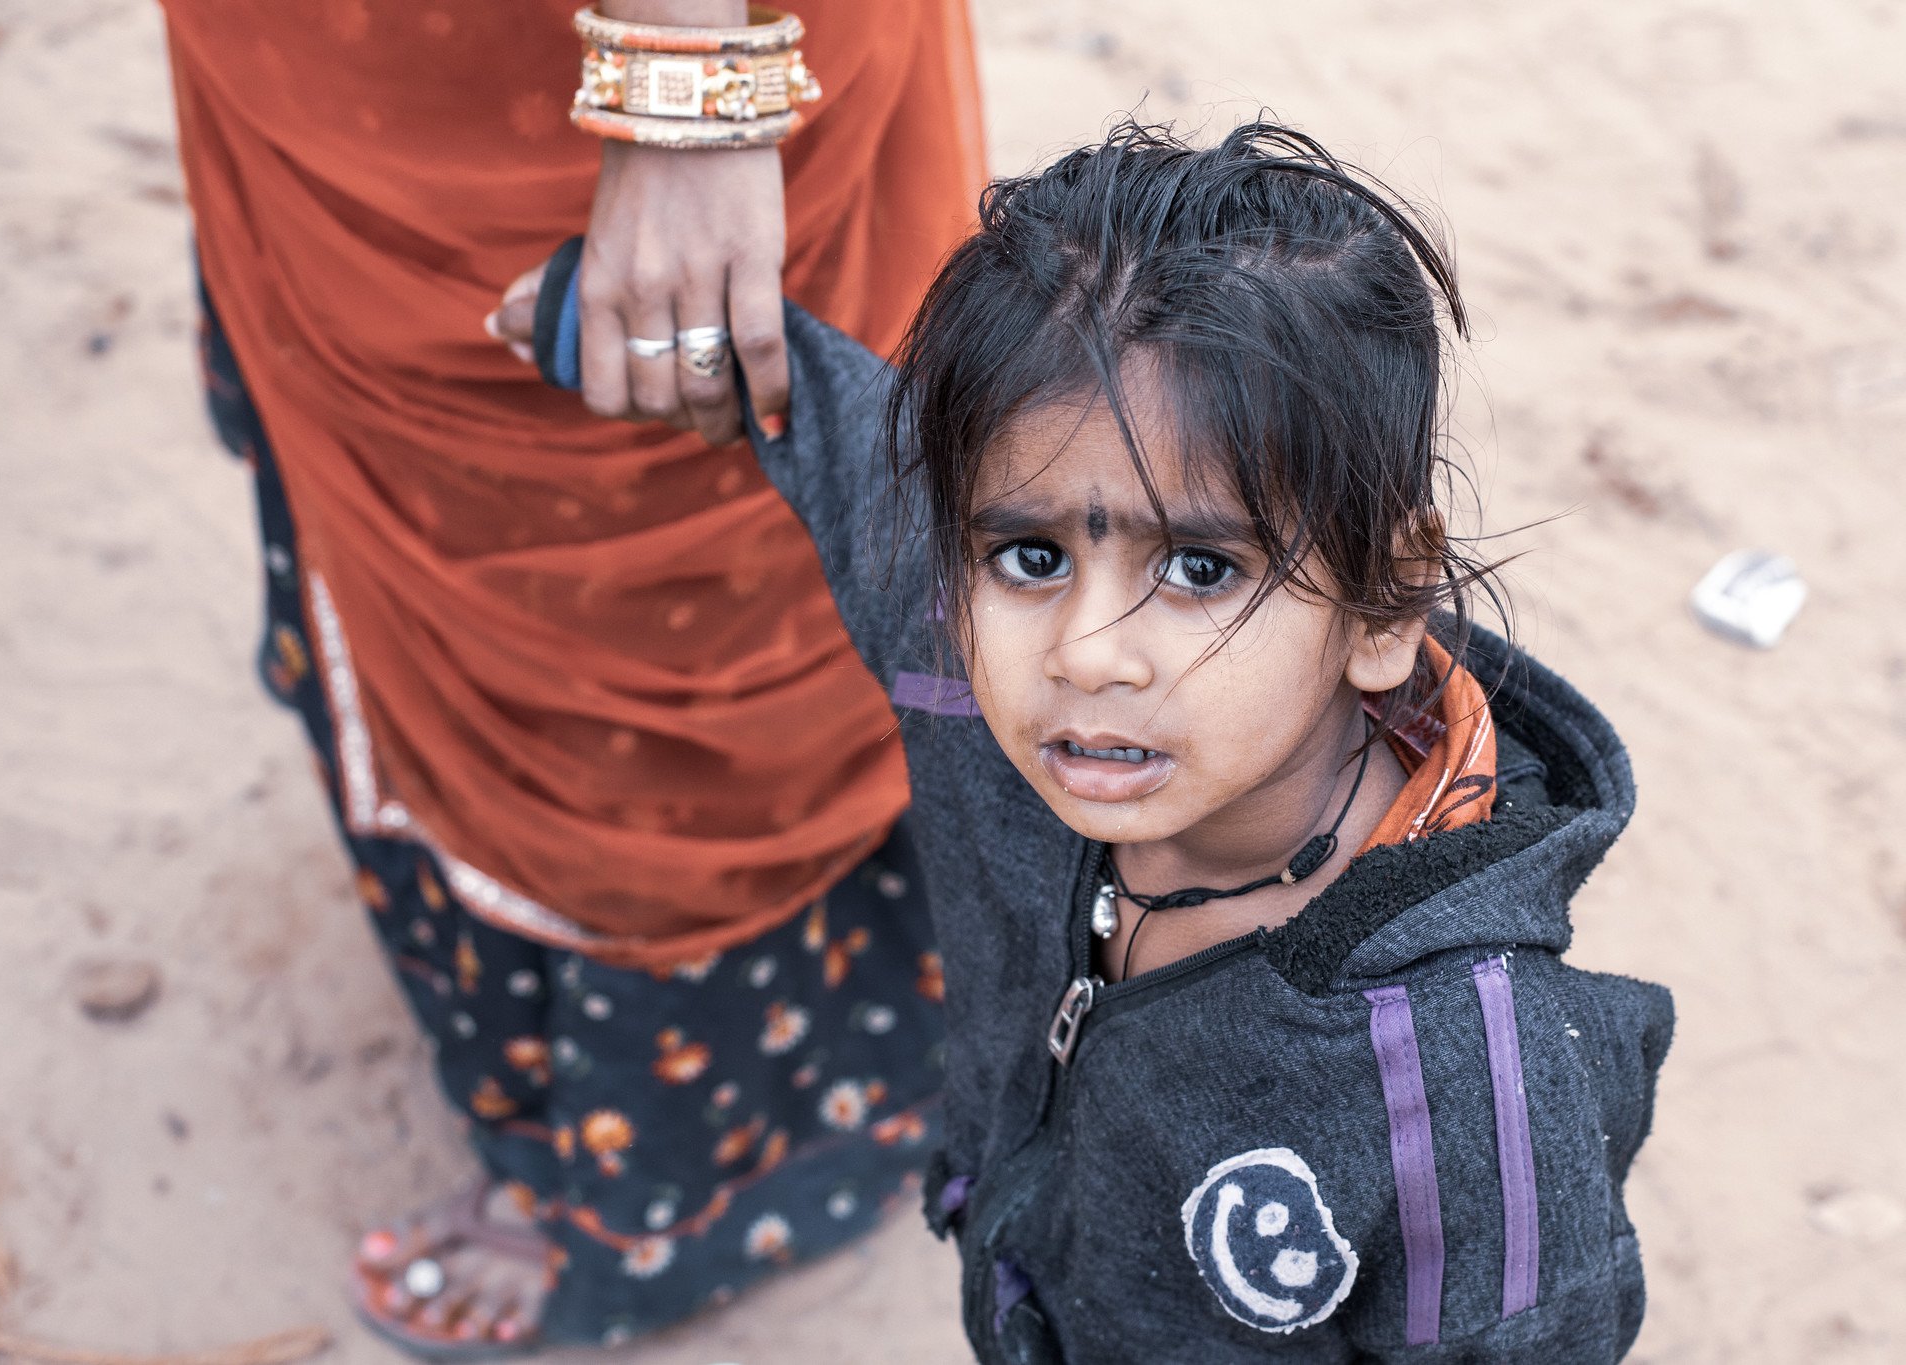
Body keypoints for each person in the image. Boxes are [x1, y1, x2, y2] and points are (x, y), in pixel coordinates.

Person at [521, 118, 1675, 1359]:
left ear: (1386, 601)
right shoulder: (960, 658)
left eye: (1198, 566)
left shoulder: (1461, 1085)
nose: (1084, 653)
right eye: (1031, 556)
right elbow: (835, 427)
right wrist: (594, 312)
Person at [159, 0, 983, 1354]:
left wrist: (680, 80)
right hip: (342, 74)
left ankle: (670, 1174)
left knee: (661, 588)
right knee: (451, 526)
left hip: (587, 83)